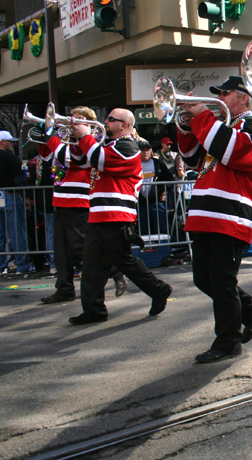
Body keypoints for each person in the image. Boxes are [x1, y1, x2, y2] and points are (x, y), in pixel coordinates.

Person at [178, 76, 252, 362]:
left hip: (230, 215)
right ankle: (251, 307)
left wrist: (204, 115)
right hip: (207, 212)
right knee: (204, 279)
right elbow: (192, 157)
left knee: (221, 281)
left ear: (243, 97)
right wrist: (184, 122)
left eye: (225, 93)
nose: (220, 98)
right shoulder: (221, 126)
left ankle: (228, 339)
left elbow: (237, 153)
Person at [67, 109, 173, 325]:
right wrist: (75, 137)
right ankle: (94, 310)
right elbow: (79, 160)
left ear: (124, 125)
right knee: (92, 266)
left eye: (111, 119)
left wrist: (86, 135)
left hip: (116, 214)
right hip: (99, 214)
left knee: (124, 261)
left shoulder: (127, 146)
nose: (105, 121)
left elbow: (99, 159)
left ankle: (159, 290)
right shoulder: (108, 144)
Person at [36, 107, 127, 303]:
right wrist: (45, 135)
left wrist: (52, 137)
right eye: (72, 119)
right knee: (61, 249)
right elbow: (47, 158)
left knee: (80, 246)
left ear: (89, 123)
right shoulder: (67, 140)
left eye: (78, 120)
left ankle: (116, 271)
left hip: (77, 198)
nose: (72, 123)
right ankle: (65, 288)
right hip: (61, 197)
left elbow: (69, 160)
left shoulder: (91, 140)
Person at [0, 131, 31, 275]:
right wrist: (25, 196)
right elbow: (18, 179)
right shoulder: (10, 157)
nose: (13, 144)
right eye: (10, 141)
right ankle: (21, 266)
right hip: (10, 195)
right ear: (3, 141)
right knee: (17, 232)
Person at [137, 141, 173, 235]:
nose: (145, 152)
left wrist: (165, 192)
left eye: (147, 150)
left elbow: (170, 179)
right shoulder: (134, 165)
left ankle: (165, 248)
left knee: (162, 228)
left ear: (151, 151)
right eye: (143, 150)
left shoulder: (158, 164)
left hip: (156, 202)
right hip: (140, 203)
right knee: (143, 230)